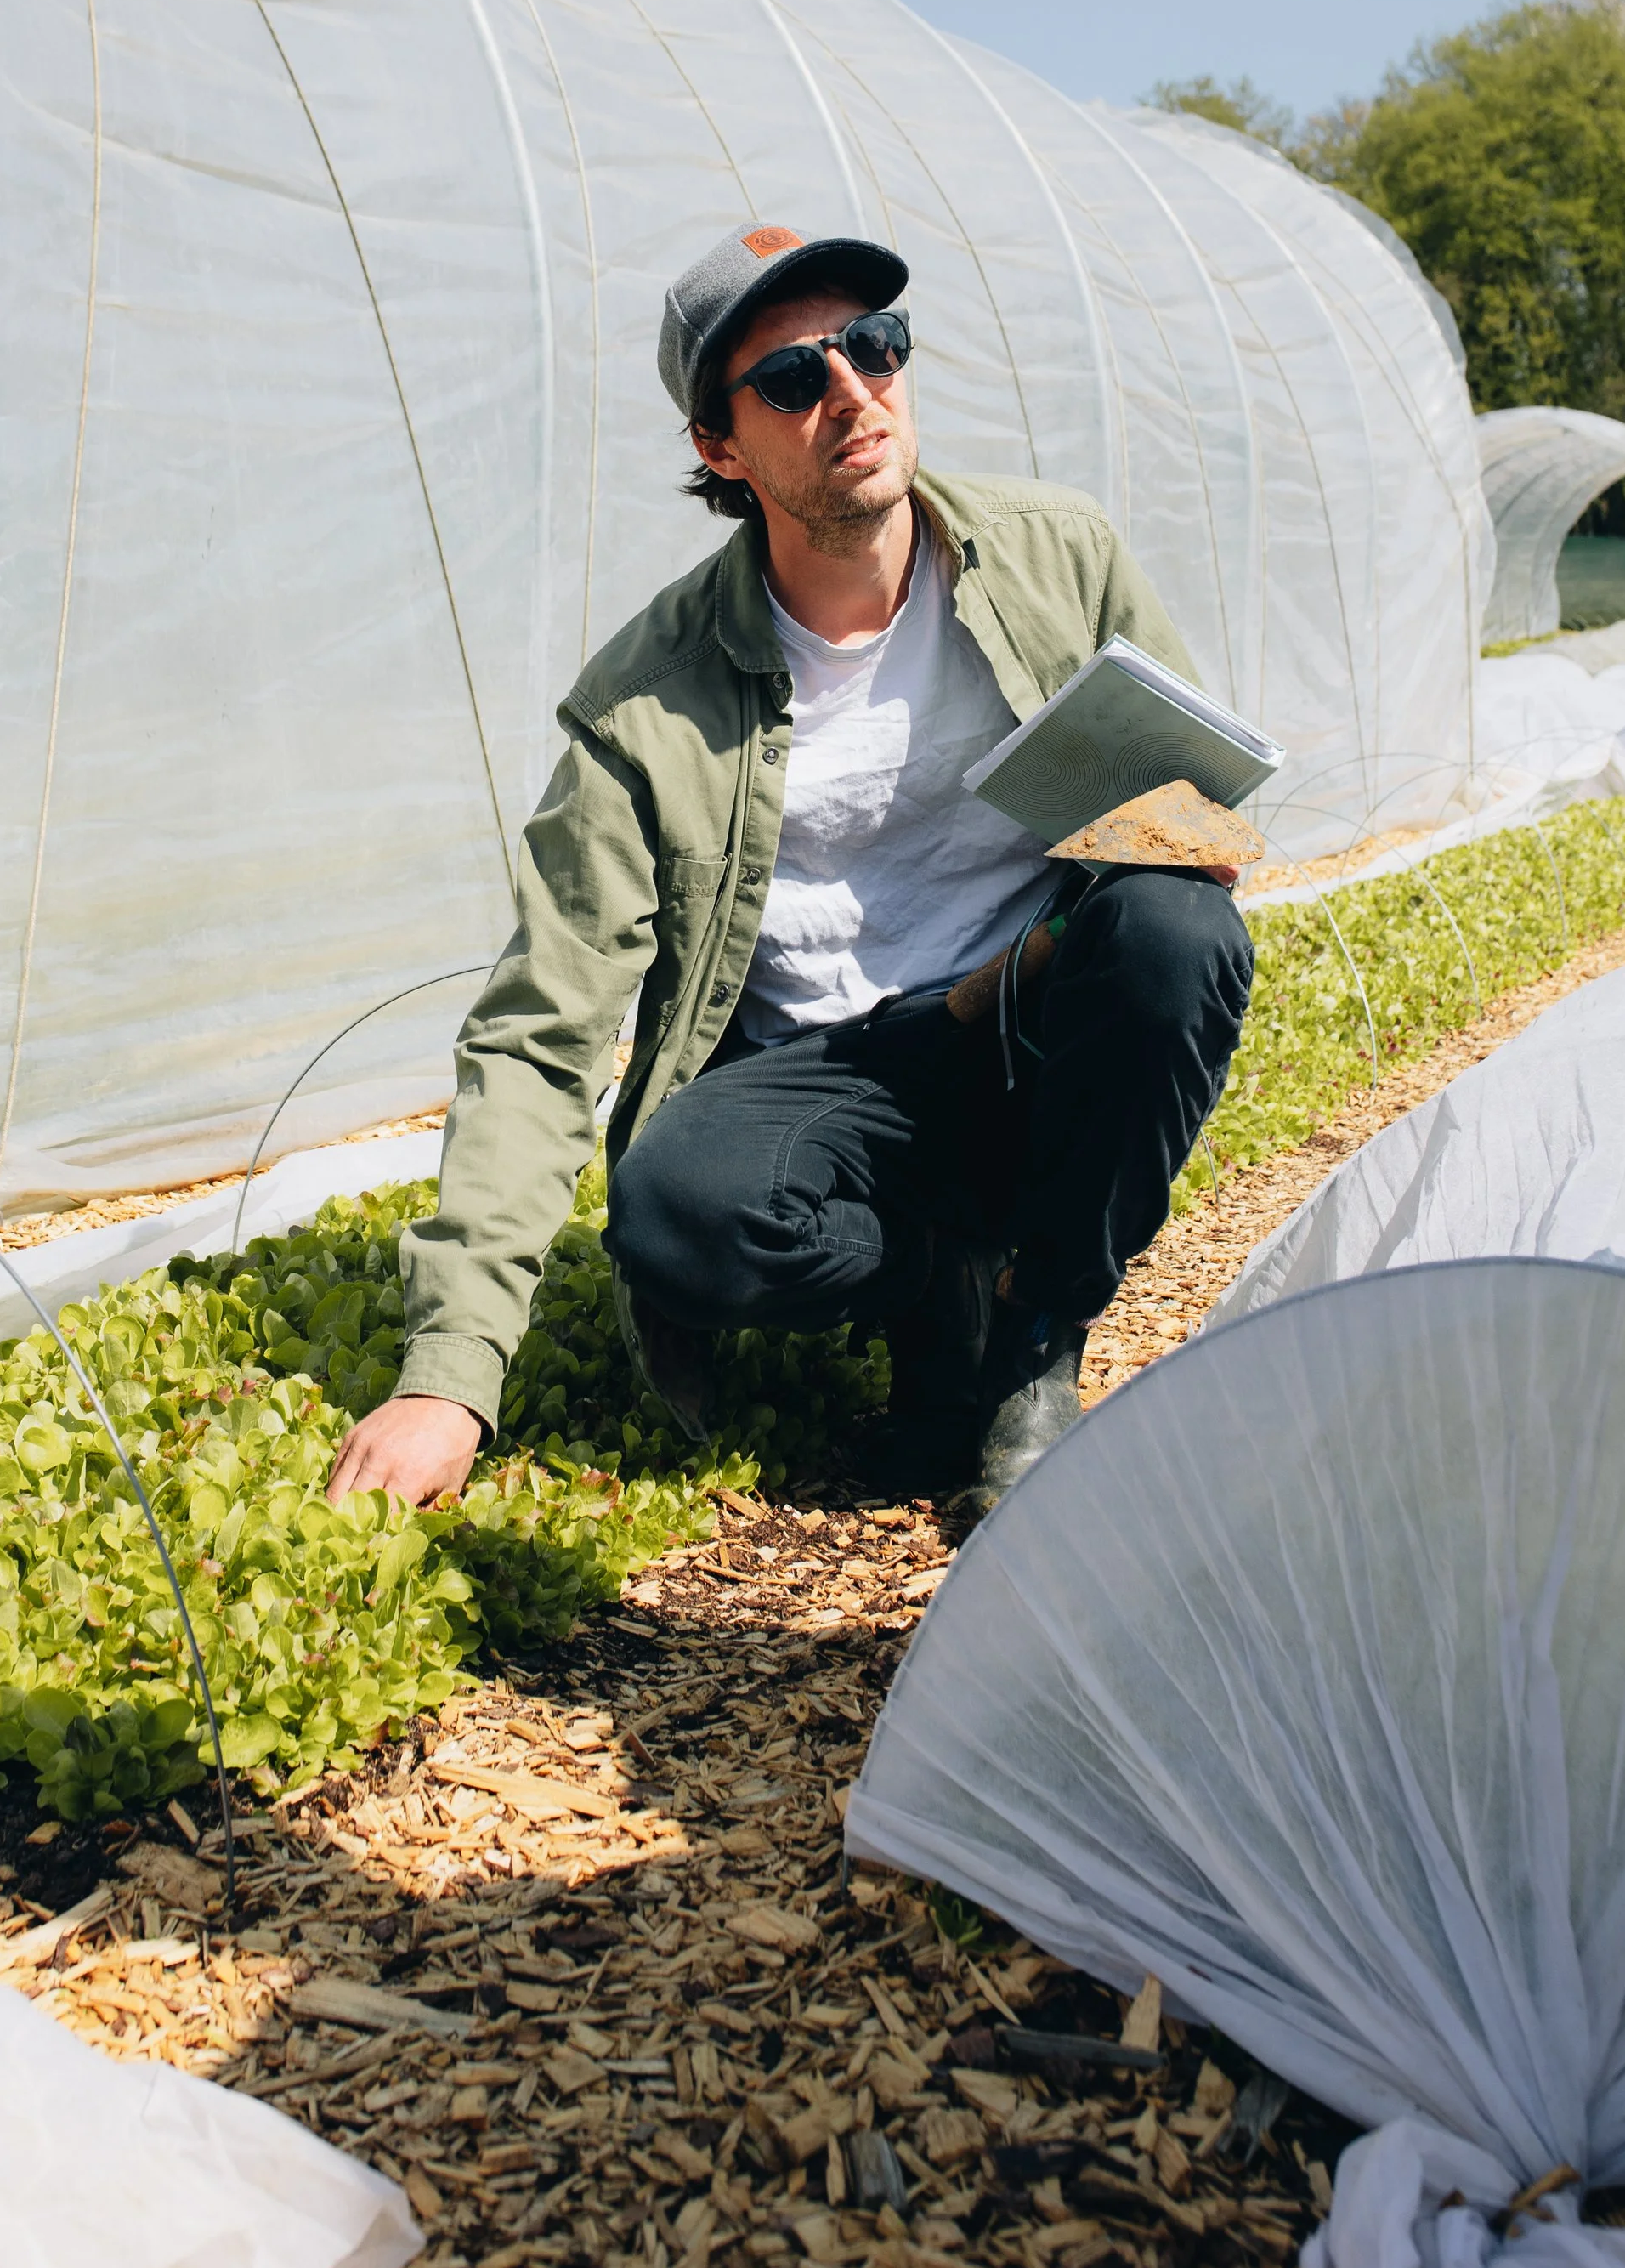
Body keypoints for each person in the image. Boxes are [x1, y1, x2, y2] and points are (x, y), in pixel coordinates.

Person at [326, 224, 1254, 1516]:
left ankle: (1034, 1342)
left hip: (1025, 1020)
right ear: (721, 446)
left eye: (875, 347)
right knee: (673, 1214)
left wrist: (1188, 837)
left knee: (1174, 939)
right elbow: (543, 1030)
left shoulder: (1061, 557)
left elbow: (1187, 797)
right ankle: (938, 1270)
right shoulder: (648, 698)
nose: (853, 392)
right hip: (827, 1072)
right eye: (793, 378)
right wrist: (449, 1373)